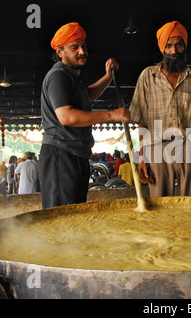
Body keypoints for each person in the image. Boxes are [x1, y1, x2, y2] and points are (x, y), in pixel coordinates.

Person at [40, 22, 130, 208]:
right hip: (61, 155)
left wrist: (107, 76)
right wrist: (111, 115)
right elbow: (66, 116)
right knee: (63, 214)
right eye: (75, 48)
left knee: (75, 210)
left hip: (75, 153)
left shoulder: (72, 76)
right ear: (60, 52)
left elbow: (87, 96)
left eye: (84, 46)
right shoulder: (59, 76)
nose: (82, 51)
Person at [130, 20, 191, 197]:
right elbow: (142, 122)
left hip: (190, 148)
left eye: (178, 45)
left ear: (185, 46)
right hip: (157, 149)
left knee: (190, 204)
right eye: (168, 46)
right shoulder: (148, 76)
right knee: (159, 204)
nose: (173, 51)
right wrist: (142, 158)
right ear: (162, 48)